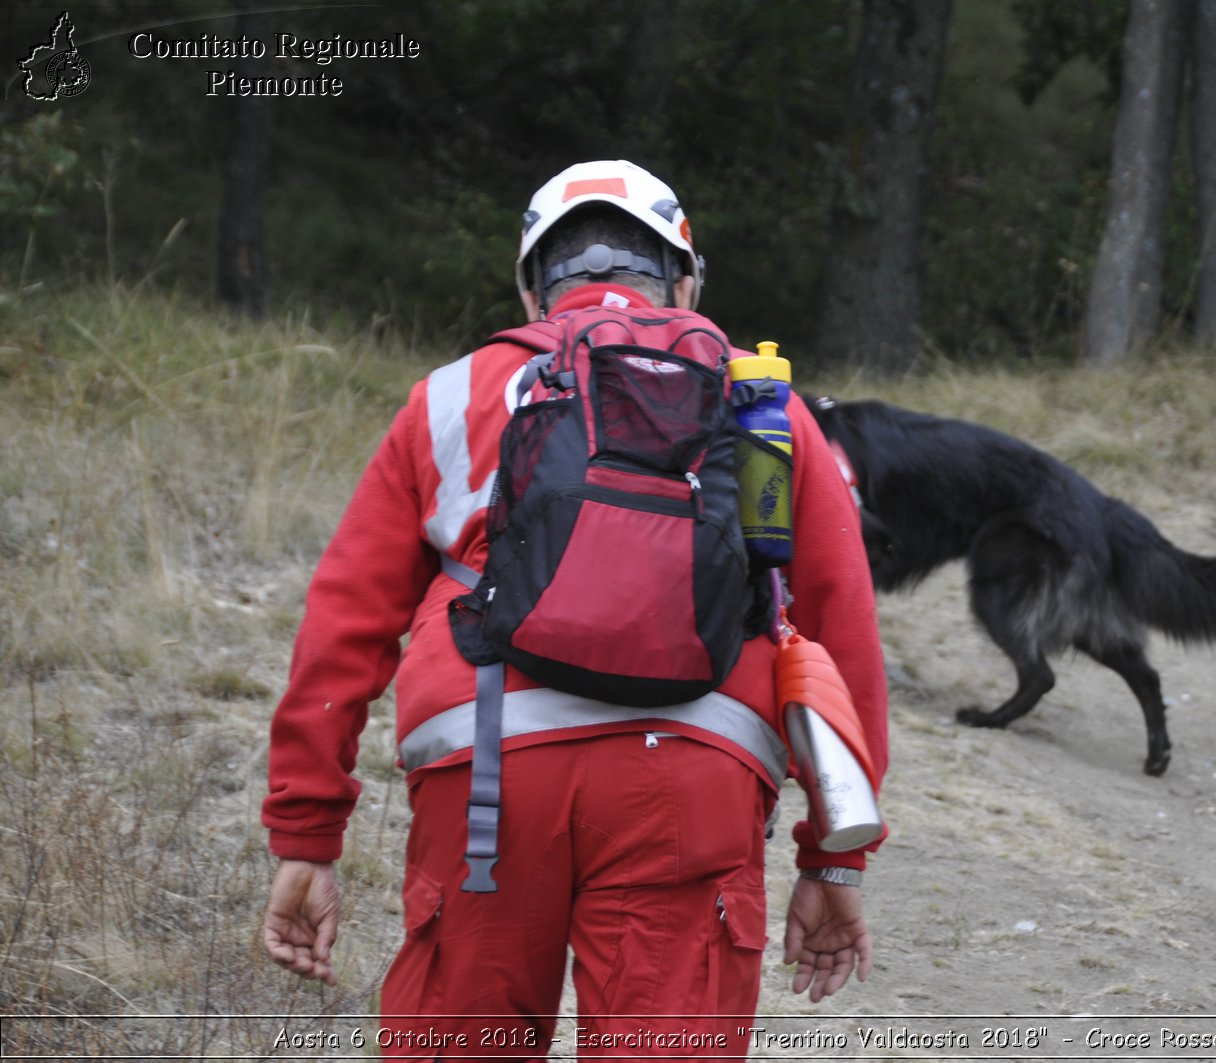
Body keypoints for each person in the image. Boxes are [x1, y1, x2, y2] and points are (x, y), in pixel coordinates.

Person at [259, 160, 889, 1059]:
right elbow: (840, 631)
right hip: (694, 773)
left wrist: (308, 834)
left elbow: (343, 626)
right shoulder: (766, 409)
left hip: (485, 772)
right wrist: (834, 856)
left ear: (530, 291)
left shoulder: (451, 395)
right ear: (685, 280)